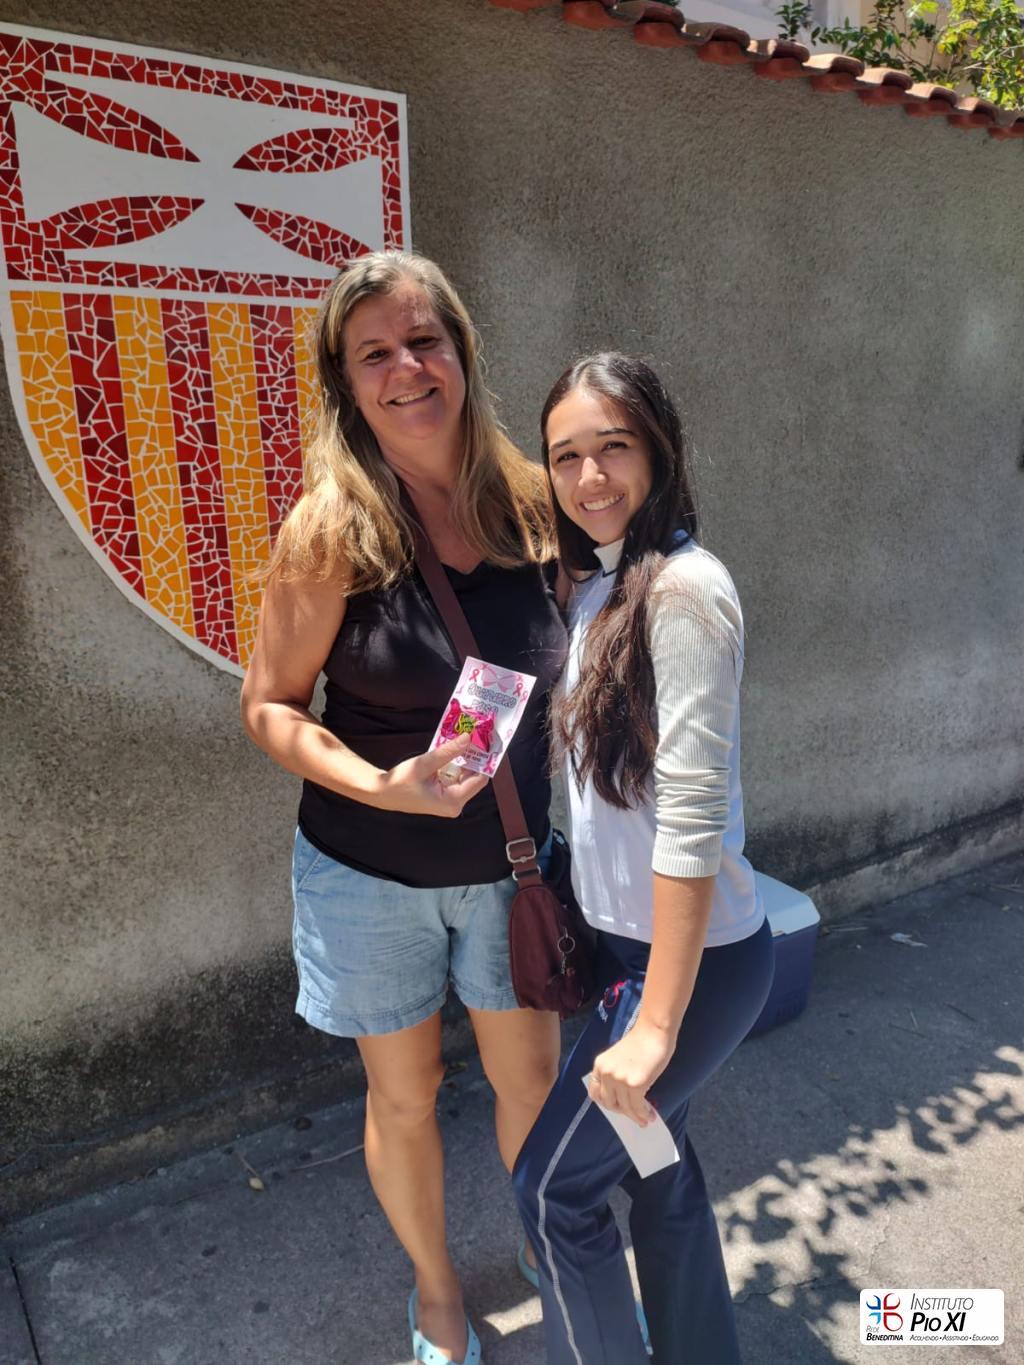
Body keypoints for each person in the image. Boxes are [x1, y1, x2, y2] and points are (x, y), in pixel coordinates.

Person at [240, 251, 567, 1365]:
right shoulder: (330, 529)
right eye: (374, 353)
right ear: (346, 381)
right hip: (367, 875)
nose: (406, 369)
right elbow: (269, 706)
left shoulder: (534, 505)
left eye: (425, 340)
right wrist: (383, 784)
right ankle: (436, 1295)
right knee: (405, 1097)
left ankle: (549, 1241)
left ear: (462, 352)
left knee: (532, 1079)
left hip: (511, 868)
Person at [512, 353, 775, 1364]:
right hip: (630, 953)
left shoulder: (686, 591)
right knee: (656, 1171)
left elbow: (694, 812)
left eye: (613, 446)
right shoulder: (598, 586)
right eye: (565, 456)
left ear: (659, 449)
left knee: (551, 1193)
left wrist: (656, 1022)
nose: (589, 477)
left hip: (690, 967)